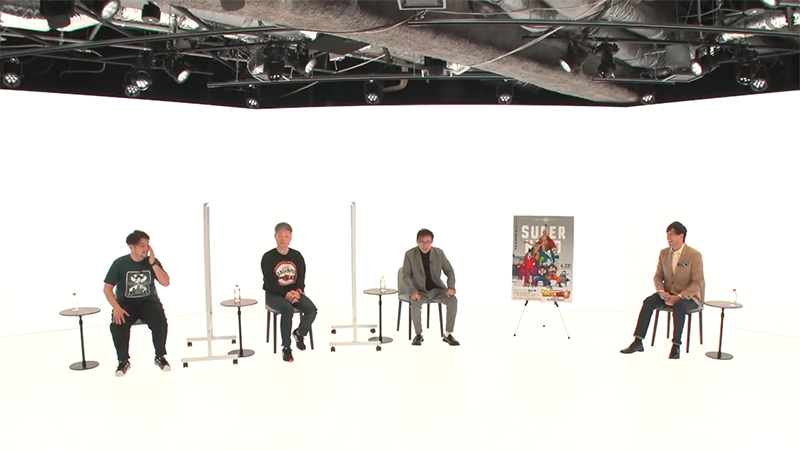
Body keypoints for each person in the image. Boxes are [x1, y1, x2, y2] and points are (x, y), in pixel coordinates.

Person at [620, 221, 704, 359]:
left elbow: (697, 283)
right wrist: (661, 292)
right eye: (667, 234)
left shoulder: (694, 255)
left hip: (689, 297)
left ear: (681, 236)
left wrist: (679, 297)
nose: (668, 238)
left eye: (671, 234)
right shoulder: (664, 253)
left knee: (679, 307)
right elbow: (658, 276)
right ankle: (638, 341)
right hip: (668, 293)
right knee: (648, 302)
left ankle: (676, 346)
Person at [103, 230, 171, 377]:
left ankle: (160, 356)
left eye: (147, 245)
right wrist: (116, 307)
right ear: (131, 247)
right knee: (118, 324)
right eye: (142, 245)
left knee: (159, 319)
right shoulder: (119, 263)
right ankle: (123, 361)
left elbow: (165, 282)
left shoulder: (152, 262)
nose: (146, 248)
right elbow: (107, 288)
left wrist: (153, 263)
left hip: (149, 301)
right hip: (126, 303)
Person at [261, 222, 317, 362]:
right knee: (287, 309)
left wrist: (298, 291)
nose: (283, 239)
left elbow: (301, 277)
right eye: (280, 235)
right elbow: (269, 282)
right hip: (274, 295)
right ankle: (286, 347)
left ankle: (299, 333)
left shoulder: (297, 256)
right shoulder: (268, 257)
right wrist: (284, 294)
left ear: (291, 237)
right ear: (275, 236)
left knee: (311, 310)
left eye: (286, 236)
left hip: (294, 293)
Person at [401, 228, 460, 346]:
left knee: (453, 301)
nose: (425, 245)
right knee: (415, 303)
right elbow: (406, 276)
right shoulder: (409, 254)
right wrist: (413, 291)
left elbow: (449, 271)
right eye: (422, 242)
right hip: (420, 291)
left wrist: (451, 287)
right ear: (417, 241)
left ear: (432, 242)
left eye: (428, 242)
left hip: (437, 290)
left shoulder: (439, 253)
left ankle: (448, 334)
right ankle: (419, 334)